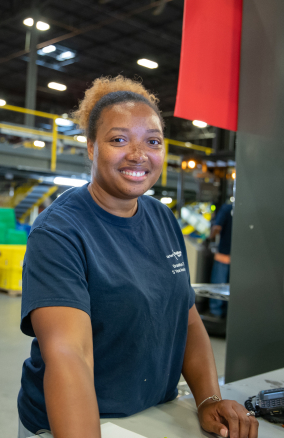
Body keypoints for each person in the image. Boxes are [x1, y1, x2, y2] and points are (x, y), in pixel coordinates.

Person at [17, 76, 258, 438]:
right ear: (91, 147)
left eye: (153, 141)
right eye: (118, 140)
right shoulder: (60, 232)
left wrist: (208, 399)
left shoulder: (162, 218)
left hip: (152, 413)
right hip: (77, 423)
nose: (138, 154)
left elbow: (187, 320)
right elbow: (69, 356)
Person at [208, 202, 233, 318]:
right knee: (232, 286)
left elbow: (217, 227)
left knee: (218, 284)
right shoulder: (246, 211)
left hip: (223, 254)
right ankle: (229, 312)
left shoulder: (227, 208)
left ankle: (216, 312)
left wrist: (210, 237)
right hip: (238, 258)